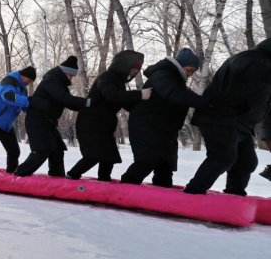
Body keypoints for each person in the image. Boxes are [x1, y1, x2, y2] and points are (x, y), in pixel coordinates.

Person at [184, 38, 271, 195]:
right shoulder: (253, 59)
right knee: (222, 156)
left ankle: (234, 194)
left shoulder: (262, 63)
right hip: (219, 116)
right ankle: (193, 192)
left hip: (239, 122)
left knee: (247, 162)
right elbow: (246, 76)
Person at [121, 48, 207, 187]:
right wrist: (204, 102)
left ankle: (162, 194)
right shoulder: (163, 75)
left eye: (193, 72)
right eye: (189, 70)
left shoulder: (175, 78)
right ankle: (125, 187)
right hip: (147, 126)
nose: (190, 74)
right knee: (147, 161)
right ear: (180, 65)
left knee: (165, 164)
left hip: (162, 129)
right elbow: (173, 94)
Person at [66, 50, 149, 181]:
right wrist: (140, 94)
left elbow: (124, 102)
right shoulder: (106, 77)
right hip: (90, 124)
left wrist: (144, 108)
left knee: (109, 156)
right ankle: (71, 176)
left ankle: (104, 180)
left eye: (135, 72)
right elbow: (112, 95)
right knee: (94, 155)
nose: (133, 73)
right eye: (132, 70)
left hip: (104, 126)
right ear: (123, 66)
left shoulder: (119, 83)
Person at [13, 56, 91, 177]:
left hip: (48, 122)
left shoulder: (60, 84)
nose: (71, 78)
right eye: (70, 75)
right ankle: (19, 174)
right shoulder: (51, 80)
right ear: (64, 72)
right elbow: (65, 98)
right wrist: (87, 102)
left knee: (58, 149)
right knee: (42, 150)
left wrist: (87, 106)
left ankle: (56, 177)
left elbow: (67, 102)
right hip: (37, 119)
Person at [0, 66, 35, 173]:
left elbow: (24, 106)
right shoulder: (9, 80)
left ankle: (11, 175)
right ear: (24, 76)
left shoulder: (23, 89)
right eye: (30, 80)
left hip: (6, 125)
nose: (30, 83)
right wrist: (28, 100)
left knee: (14, 151)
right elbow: (8, 96)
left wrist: (36, 104)